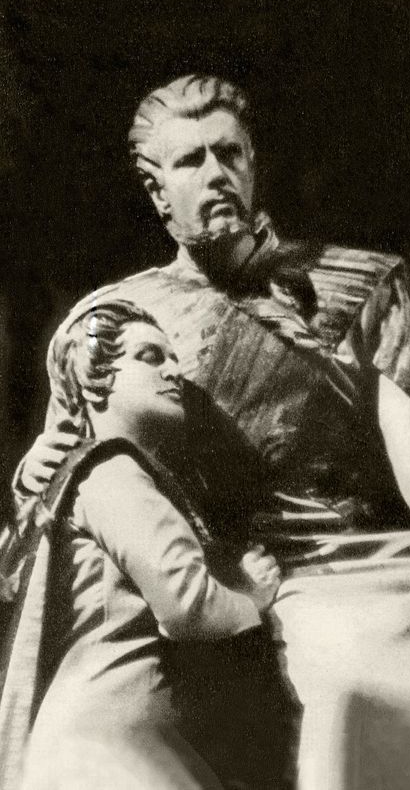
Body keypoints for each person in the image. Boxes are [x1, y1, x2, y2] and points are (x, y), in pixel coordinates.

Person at [16, 74, 410, 789]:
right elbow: (70, 478)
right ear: (157, 191)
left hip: (395, 566)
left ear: (252, 162)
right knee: (356, 706)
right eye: (190, 161)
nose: (216, 173)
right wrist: (38, 472)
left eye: (229, 153)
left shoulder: (355, 285)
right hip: (254, 595)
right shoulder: (118, 319)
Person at [0, 299, 281, 790]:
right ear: (93, 379)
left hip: (77, 745)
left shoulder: (64, 486)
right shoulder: (111, 470)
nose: (174, 371)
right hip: (120, 743)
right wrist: (252, 594)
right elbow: (190, 607)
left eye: (173, 358)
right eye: (150, 357)